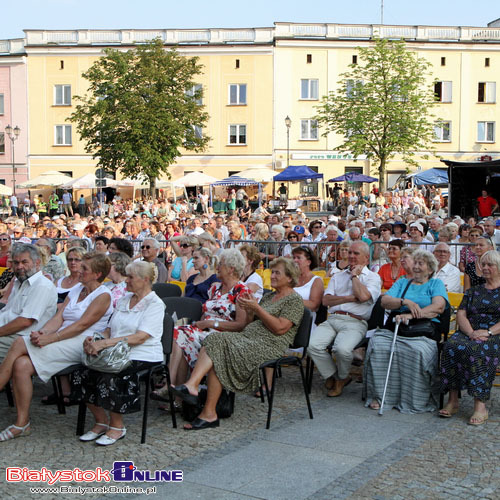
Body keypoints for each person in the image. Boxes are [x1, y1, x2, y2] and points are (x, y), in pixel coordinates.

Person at [171, 257, 304, 430]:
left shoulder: (294, 300)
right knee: (215, 340)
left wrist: (257, 309)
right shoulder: (269, 297)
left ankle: (203, 403)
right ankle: (199, 396)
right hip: (248, 337)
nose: (272, 275)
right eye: (272, 272)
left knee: (219, 347)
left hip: (268, 344)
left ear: (290, 277)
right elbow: (250, 322)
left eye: (277, 272)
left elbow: (279, 328)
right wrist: (248, 309)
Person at [0, 253, 112, 441]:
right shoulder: (77, 290)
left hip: (83, 342)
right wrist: (42, 333)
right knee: (21, 365)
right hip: (62, 337)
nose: (79, 270)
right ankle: (22, 423)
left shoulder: (103, 295)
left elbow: (81, 325)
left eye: (85, 268)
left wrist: (50, 339)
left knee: (19, 342)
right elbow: (59, 318)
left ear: (97, 274)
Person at [75, 261, 165, 445]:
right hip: (115, 352)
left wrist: (105, 343)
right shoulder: (124, 299)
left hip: (142, 354)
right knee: (81, 372)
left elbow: (140, 337)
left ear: (145, 279)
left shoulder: (155, 304)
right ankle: (101, 421)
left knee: (113, 374)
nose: (126, 281)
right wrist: (96, 338)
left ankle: (117, 426)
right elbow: (110, 329)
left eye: (131, 277)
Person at [153, 249, 250, 405]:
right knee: (180, 337)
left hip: (224, 336)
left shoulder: (242, 291)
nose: (217, 267)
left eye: (221, 265)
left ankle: (171, 387)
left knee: (180, 336)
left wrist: (212, 323)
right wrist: (201, 325)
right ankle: (175, 392)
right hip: (204, 331)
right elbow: (206, 312)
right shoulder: (215, 288)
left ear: (231, 268)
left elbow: (241, 325)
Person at [364, 250, 448, 413]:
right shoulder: (403, 283)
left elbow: (438, 306)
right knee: (378, 346)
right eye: (415, 262)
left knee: (418, 351)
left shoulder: (435, 284)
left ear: (430, 269)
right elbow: (385, 301)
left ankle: (415, 398)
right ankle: (381, 395)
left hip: (423, 328)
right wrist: (405, 301)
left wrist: (412, 315)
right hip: (397, 325)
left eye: (420, 264)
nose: (416, 266)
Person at [308, 242, 381, 398]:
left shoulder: (373, 278)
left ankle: (340, 378)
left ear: (366, 258)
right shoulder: (338, 276)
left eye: (356, 254)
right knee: (312, 346)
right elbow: (326, 301)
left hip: (355, 322)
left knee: (342, 350)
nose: (351, 256)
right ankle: (337, 376)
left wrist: (354, 276)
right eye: (350, 253)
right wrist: (347, 298)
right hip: (333, 318)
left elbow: (363, 297)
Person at [440, 250, 500, 425]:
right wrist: (471, 332)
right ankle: (453, 400)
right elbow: (461, 314)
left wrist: (488, 332)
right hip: (470, 331)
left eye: (490, 265)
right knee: (451, 347)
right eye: (484, 264)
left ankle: (480, 406)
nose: (486, 268)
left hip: (494, 334)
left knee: (479, 350)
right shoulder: (474, 291)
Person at [0, 244, 57, 361]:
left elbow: (25, 321)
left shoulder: (42, 285)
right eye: (16, 263)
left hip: (21, 337)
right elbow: (8, 312)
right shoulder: (19, 282)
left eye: (24, 262)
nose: (19, 266)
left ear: (36, 263)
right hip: (8, 332)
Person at [291, 246, 324, 325]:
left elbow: (314, 305)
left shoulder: (316, 280)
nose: (295, 260)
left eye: (299, 258)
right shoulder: (289, 279)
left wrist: (290, 299)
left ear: (308, 262)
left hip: (306, 321)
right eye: (293, 257)